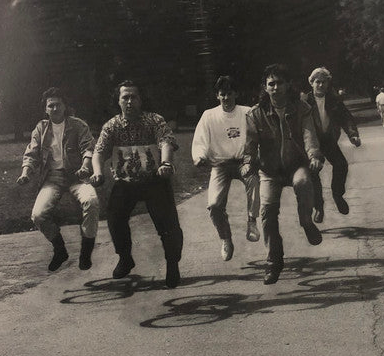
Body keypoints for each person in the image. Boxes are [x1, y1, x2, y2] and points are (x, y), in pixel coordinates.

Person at [90, 80, 183, 288]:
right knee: (114, 217)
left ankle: (172, 264)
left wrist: (166, 163)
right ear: (118, 101)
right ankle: (125, 257)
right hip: (126, 182)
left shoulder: (154, 120)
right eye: (125, 97)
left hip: (154, 180)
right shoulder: (111, 126)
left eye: (134, 97)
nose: (130, 101)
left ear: (141, 100)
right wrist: (97, 172)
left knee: (168, 224)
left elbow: (166, 142)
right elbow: (99, 152)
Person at [243, 64, 324, 285]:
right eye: (271, 83)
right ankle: (273, 262)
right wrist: (248, 162)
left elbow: (309, 135)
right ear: (265, 87)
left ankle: (306, 221)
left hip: (296, 164)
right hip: (269, 170)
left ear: (288, 85)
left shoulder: (302, 108)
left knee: (304, 182)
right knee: (267, 212)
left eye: (280, 83)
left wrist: (314, 156)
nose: (276, 87)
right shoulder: (255, 113)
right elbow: (250, 145)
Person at [16, 87, 99, 271]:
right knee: (38, 215)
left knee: (91, 202)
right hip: (52, 178)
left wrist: (85, 167)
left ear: (65, 106)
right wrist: (25, 173)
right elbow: (31, 153)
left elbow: (88, 148)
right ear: (45, 109)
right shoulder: (41, 128)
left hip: (77, 176)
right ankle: (59, 249)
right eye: (50, 105)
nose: (55, 109)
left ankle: (86, 252)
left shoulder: (78, 125)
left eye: (58, 105)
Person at [191, 75, 260, 262]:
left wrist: (250, 160)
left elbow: (256, 137)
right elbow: (200, 140)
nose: (226, 98)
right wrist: (199, 156)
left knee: (253, 180)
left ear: (236, 94)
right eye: (222, 94)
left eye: (229, 93)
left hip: (243, 161)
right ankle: (225, 239)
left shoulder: (247, 112)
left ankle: (252, 222)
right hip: (220, 165)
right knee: (214, 205)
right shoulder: (209, 115)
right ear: (217, 96)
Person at [303, 67, 361, 223]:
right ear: (311, 83)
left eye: (324, 82)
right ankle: (318, 207)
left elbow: (346, 118)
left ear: (328, 84)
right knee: (313, 172)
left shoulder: (334, 100)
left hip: (329, 140)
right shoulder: (304, 102)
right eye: (317, 82)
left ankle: (337, 195)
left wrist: (353, 134)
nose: (320, 85)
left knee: (341, 165)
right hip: (312, 143)